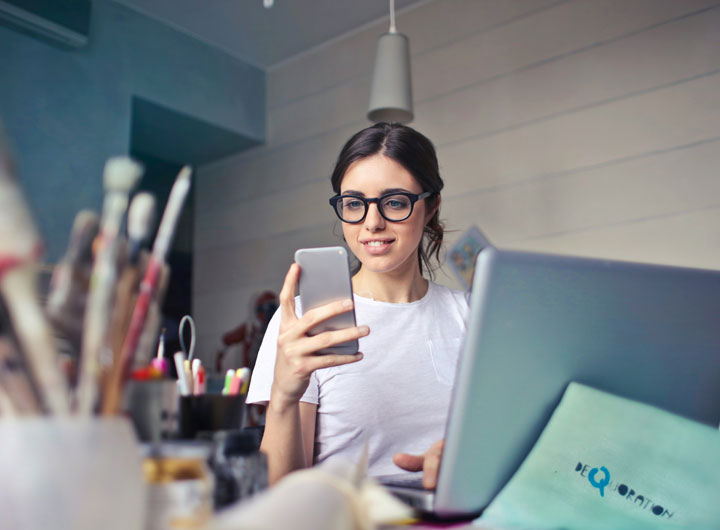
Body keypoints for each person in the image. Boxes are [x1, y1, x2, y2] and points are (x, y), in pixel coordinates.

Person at [246, 122, 469, 487]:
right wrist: (284, 396)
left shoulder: (471, 316)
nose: (372, 223)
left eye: (395, 202)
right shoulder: (305, 321)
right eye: (354, 204)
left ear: (430, 207)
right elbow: (282, 494)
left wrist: (466, 459)